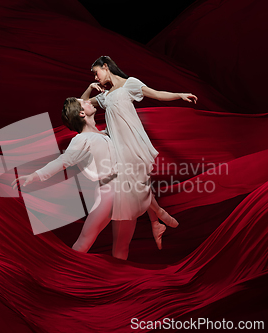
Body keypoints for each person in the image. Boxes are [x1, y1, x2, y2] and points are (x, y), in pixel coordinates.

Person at [12, 97, 174, 259]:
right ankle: (68, 275)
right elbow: (63, 161)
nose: (89, 101)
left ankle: (118, 279)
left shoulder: (106, 134)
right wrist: (36, 175)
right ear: (82, 113)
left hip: (127, 192)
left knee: (122, 247)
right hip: (109, 191)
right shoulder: (81, 139)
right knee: (85, 241)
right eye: (84, 102)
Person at [81, 56, 198, 243]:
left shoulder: (130, 84)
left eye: (96, 73)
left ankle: (157, 219)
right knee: (137, 185)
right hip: (117, 146)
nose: (96, 78)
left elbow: (157, 94)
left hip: (133, 142)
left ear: (105, 66)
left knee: (139, 184)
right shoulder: (104, 96)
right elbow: (82, 103)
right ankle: (157, 218)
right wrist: (89, 89)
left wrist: (179, 95)